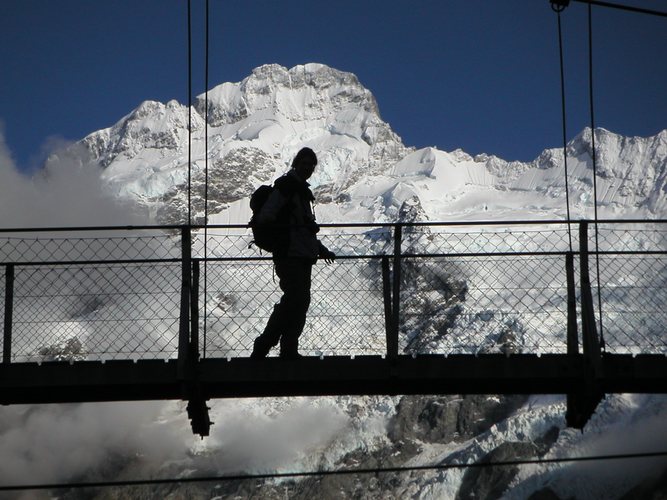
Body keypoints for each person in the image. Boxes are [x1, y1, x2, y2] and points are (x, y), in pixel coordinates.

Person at [250, 147, 336, 359]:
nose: (308, 168)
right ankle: (267, 344)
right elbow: (267, 215)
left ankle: (285, 347)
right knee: (295, 299)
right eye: (305, 163)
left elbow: (304, 228)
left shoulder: (301, 191)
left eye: (311, 165)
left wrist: (319, 249)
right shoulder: (287, 187)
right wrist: (284, 235)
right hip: (289, 254)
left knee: (299, 301)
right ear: (296, 164)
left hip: (302, 255)